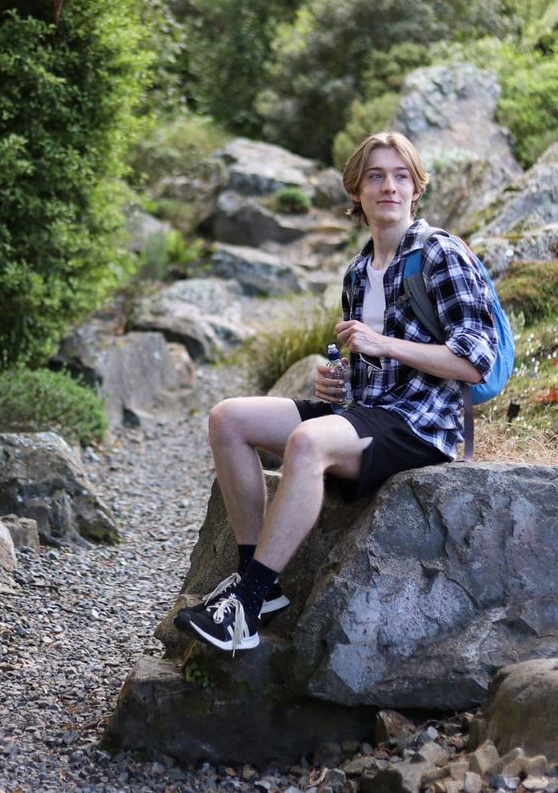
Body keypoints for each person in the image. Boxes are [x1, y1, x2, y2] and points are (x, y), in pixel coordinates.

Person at [174, 131, 499, 653]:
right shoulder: (357, 270)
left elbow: (473, 362)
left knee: (308, 442)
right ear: (357, 192)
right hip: (367, 411)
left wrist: (383, 344)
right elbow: (366, 364)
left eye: (400, 176)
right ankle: (259, 581)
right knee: (227, 418)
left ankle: (246, 609)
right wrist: (338, 381)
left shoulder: (441, 255)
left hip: (420, 426)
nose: (388, 186)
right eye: (376, 176)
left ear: (416, 189)